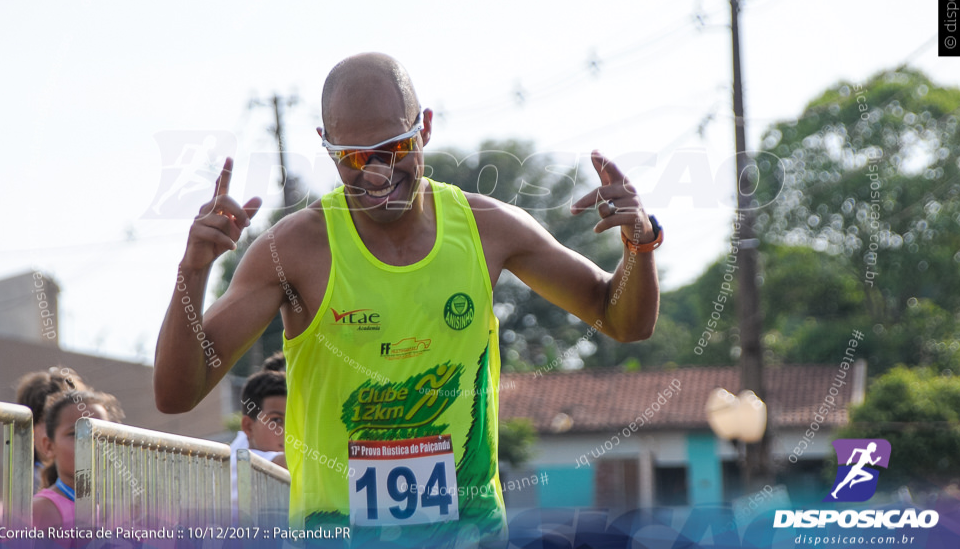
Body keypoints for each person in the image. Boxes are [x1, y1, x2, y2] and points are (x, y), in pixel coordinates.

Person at [154, 53, 661, 543]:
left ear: (425, 129)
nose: (375, 173)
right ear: (326, 145)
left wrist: (639, 244)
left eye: (393, 149)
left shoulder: (488, 229)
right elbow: (177, 394)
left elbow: (622, 320)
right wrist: (193, 271)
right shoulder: (294, 249)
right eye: (353, 158)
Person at [32, 389, 125, 537]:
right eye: (75, 434)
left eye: (99, 435)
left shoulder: (111, 512)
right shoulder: (43, 510)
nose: (89, 443)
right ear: (49, 446)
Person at [14, 367, 89, 493]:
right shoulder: (22, 484)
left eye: (76, 427)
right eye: (48, 421)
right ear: (28, 426)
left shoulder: (93, 478)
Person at [230, 369, 288, 521]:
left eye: (295, 420)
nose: (289, 432)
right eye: (276, 420)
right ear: (249, 426)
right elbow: (294, 464)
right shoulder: (237, 462)